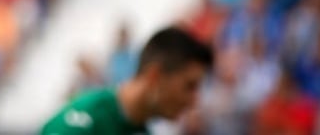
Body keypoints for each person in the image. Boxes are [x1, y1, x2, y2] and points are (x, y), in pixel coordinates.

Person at [40, 26, 214, 134]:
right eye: (189, 86)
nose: (194, 100)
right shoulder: (82, 122)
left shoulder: (139, 128)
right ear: (155, 76)